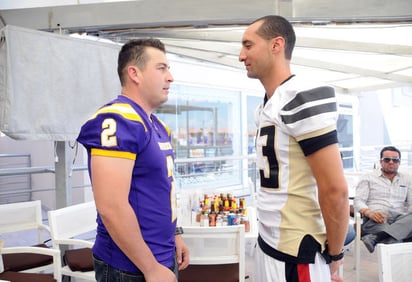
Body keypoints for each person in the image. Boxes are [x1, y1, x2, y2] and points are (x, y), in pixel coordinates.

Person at [239, 15, 349, 282]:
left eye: (248, 45)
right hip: (270, 241)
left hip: (296, 249)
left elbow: (335, 190)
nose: (241, 55)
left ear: (276, 45)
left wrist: (334, 255)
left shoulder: (301, 95)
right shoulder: (266, 105)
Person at [77, 38, 189, 282]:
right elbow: (111, 206)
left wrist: (175, 235)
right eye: (162, 68)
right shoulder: (117, 120)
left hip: (161, 254)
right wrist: (149, 267)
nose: (170, 77)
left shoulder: (156, 125)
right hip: (131, 265)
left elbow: (160, 188)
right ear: (134, 73)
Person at [354, 146, 412, 253]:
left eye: (395, 160)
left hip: (399, 219)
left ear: (399, 162)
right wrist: (370, 213)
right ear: (381, 161)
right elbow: (358, 201)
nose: (391, 162)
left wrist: (406, 220)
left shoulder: (407, 179)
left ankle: (376, 237)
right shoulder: (368, 177)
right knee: (395, 241)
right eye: (387, 159)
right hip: (376, 219)